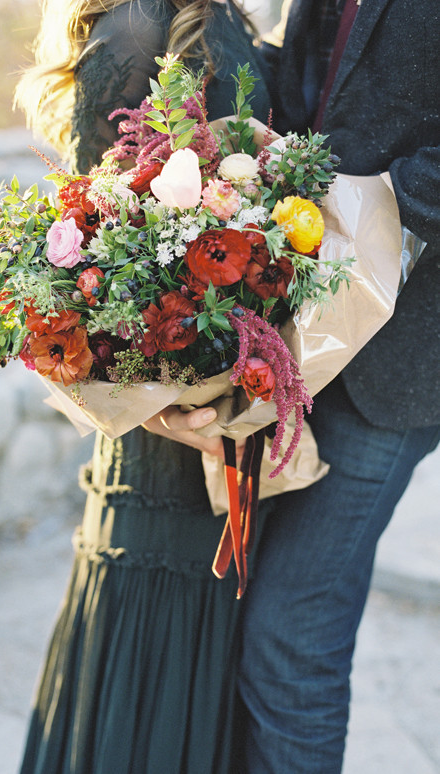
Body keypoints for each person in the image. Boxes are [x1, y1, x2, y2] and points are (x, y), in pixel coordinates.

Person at [154, 0, 440, 771]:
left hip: (408, 353)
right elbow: (314, 81)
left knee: (292, 633)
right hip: (308, 328)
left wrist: (387, 201)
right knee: (263, 618)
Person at [14, 1, 271, 772]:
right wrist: (164, 418)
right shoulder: (131, 30)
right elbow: (88, 266)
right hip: (165, 440)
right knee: (145, 689)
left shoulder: (220, 15)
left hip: (217, 410)